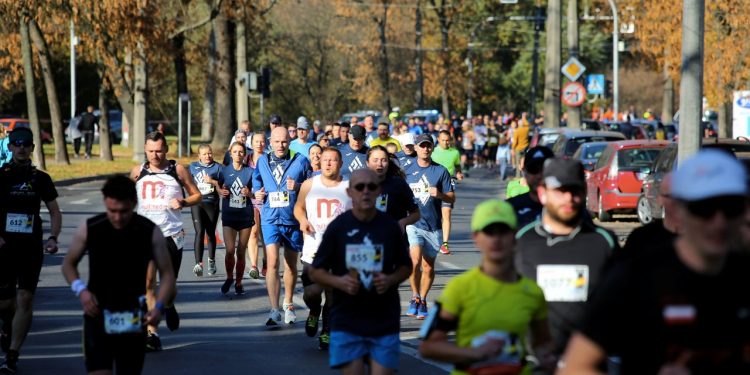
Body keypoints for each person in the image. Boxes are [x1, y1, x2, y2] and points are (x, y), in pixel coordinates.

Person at [559, 150, 750, 374]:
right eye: (704, 209)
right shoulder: (636, 278)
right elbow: (576, 365)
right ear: (679, 210)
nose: (718, 222)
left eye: (730, 208)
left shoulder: (743, 276)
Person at [419, 199, 555, 375]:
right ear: (476, 238)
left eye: (503, 231)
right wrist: (474, 354)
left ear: (514, 236)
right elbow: (428, 346)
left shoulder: (533, 292)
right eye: (489, 232)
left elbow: (543, 343)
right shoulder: (459, 288)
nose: (496, 239)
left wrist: (548, 359)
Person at [61, 175, 176, 375]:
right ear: (105, 203)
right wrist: (81, 291)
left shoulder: (149, 231)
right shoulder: (91, 228)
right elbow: (68, 265)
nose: (117, 217)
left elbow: (167, 275)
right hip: (97, 313)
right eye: (112, 211)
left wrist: (158, 307)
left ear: (134, 203)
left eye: (123, 211)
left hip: (133, 315)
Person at [309, 169, 412, 375]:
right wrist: (339, 282)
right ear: (350, 192)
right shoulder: (338, 227)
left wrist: (390, 279)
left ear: (378, 191)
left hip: (384, 318)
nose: (365, 191)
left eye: (371, 187)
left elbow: (406, 266)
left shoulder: (390, 227)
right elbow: (315, 271)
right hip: (347, 318)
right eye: (359, 187)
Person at [514, 158, 618, 358]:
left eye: (575, 190)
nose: (569, 198)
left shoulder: (603, 242)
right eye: (560, 191)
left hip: (587, 363)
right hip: (532, 363)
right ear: (542, 193)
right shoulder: (522, 241)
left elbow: (619, 306)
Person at [130, 131, 202, 351]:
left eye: (159, 150)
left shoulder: (177, 170)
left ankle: (169, 305)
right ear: (145, 149)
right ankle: (152, 333)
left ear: (166, 149)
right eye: (151, 150)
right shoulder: (137, 172)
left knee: (168, 286)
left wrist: (183, 202)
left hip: (171, 235)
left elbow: (197, 195)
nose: (155, 155)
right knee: (147, 283)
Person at [0, 127, 62, 373]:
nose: (22, 147)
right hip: (4, 247)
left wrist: (53, 237)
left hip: (30, 247)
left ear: (33, 148)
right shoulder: (1, 176)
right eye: (17, 143)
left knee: (25, 297)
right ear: (10, 147)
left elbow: (55, 211)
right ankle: (8, 324)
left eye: (26, 144)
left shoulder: (41, 178)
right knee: (4, 303)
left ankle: (13, 354)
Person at [252, 127, 312, 326]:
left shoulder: (301, 160)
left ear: (290, 141)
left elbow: (311, 185)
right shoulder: (262, 161)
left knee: (290, 265)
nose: (280, 145)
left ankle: (288, 304)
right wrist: (256, 193)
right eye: (277, 142)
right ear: (271, 142)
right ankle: (274, 309)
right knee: (272, 262)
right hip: (270, 218)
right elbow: (256, 181)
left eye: (284, 142)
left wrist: (298, 187)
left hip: (292, 219)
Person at [294, 147, 351, 350]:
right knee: (312, 292)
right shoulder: (310, 184)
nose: (328, 163)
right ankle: (313, 311)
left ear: (340, 163)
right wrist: (302, 220)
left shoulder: (349, 187)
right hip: (313, 249)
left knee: (333, 294)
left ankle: (327, 330)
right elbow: (298, 207)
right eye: (325, 159)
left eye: (333, 160)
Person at [404, 134, 455, 320]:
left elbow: (452, 198)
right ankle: (414, 297)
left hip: (433, 227)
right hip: (413, 223)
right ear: (415, 148)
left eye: (428, 146)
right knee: (415, 261)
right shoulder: (407, 171)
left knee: (428, 268)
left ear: (432, 148)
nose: (425, 149)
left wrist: (440, 194)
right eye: (422, 146)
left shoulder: (440, 171)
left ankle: (423, 299)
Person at [217, 142, 255, 295]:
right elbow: (218, 187)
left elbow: (255, 193)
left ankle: (239, 282)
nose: (238, 154)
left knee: (240, 251)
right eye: (235, 151)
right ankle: (229, 277)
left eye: (241, 152)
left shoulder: (250, 172)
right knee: (230, 250)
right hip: (229, 215)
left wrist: (249, 193)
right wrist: (221, 191)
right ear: (230, 153)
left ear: (245, 154)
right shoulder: (224, 171)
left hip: (245, 215)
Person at [366, 146, 420, 231]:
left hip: (394, 239)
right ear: (367, 163)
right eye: (375, 160)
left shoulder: (398, 184)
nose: (379, 164)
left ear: (388, 162)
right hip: (368, 240)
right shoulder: (360, 184)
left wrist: (403, 222)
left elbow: (416, 214)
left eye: (383, 160)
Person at [189, 144, 223, 277]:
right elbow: (186, 181)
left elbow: (225, 185)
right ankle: (198, 264)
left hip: (211, 203)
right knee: (199, 231)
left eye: (209, 153)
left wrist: (213, 182)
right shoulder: (192, 167)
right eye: (204, 154)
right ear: (199, 156)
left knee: (210, 233)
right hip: (197, 202)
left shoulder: (218, 167)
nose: (207, 156)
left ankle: (211, 260)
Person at [431, 130, 463, 255]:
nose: (445, 142)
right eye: (443, 140)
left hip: (448, 183)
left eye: (447, 140)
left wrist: (459, 173)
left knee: (447, 212)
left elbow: (457, 165)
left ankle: (445, 244)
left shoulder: (455, 152)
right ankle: (432, 238)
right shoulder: (433, 151)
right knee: (434, 213)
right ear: (438, 140)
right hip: (433, 184)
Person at [505, 146, 554, 227]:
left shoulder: (567, 207)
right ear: (525, 172)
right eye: (534, 169)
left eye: (545, 169)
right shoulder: (510, 208)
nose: (539, 175)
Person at [247, 133, 267, 279]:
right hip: (251, 201)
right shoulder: (246, 159)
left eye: (262, 141)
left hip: (267, 201)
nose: (259, 144)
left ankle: (266, 263)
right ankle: (254, 265)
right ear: (251, 143)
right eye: (256, 141)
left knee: (266, 235)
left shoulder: (269, 158)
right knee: (253, 233)